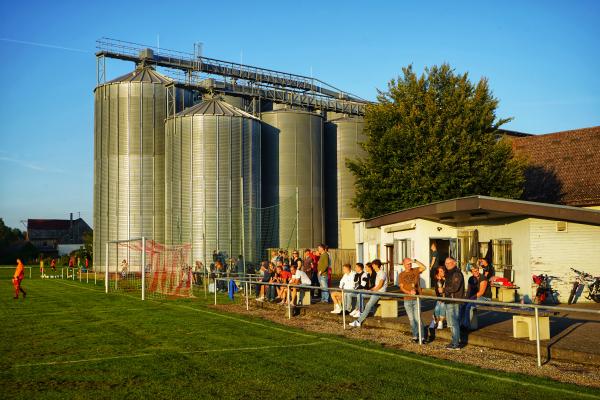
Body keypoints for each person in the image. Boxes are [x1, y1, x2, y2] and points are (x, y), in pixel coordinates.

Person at [349, 259, 387, 327]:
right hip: (375, 291)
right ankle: (359, 310)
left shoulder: (382, 273)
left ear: (376, 265)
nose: (372, 266)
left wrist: (373, 290)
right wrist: (370, 290)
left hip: (379, 292)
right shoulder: (377, 273)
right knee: (360, 294)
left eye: (373, 265)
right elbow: (375, 285)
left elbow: (380, 285)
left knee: (368, 305)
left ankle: (358, 321)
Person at [399, 258, 427, 343]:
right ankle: (415, 336)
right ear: (403, 264)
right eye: (407, 264)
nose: (409, 265)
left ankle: (422, 337)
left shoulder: (415, 270)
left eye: (410, 264)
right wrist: (409, 292)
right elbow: (401, 287)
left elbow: (424, 267)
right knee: (411, 320)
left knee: (418, 318)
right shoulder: (401, 274)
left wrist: (415, 261)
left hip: (416, 299)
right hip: (407, 300)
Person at [444, 257, 465, 350]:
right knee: (451, 323)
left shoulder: (456, 273)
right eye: (446, 263)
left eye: (449, 263)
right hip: (450, 300)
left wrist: (444, 289)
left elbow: (455, 287)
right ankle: (454, 342)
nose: (447, 265)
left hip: (454, 301)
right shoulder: (449, 273)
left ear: (454, 263)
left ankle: (455, 344)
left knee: (454, 323)